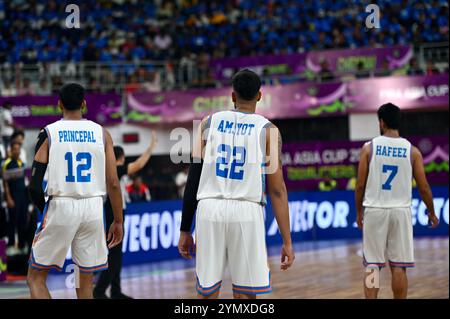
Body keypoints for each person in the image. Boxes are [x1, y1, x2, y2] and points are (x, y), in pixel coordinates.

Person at [178, 69, 295, 299]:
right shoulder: (268, 130)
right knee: (247, 294)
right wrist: (287, 240)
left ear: (232, 96)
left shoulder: (208, 122)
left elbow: (193, 178)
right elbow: (277, 190)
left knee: (207, 292)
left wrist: (185, 228)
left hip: (209, 208)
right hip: (246, 210)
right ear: (259, 96)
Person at [26, 83, 124, 299]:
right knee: (84, 279)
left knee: (35, 277)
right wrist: (118, 220)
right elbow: (113, 182)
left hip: (61, 204)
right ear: (84, 104)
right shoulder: (102, 133)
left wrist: (46, 211)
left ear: (59, 104)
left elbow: (33, 185)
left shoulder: (49, 132)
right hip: (93, 208)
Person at [355, 102, 439, 299]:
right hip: (400, 211)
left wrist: (358, 212)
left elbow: (359, 185)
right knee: (399, 266)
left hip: (374, 210)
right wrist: (431, 211)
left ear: (381, 122)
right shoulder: (413, 151)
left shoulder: (369, 148)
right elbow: (424, 187)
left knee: (373, 265)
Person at [94, 131, 157, 299]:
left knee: (117, 256)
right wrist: (151, 146)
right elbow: (139, 164)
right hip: (113, 215)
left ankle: (115, 291)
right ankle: (98, 292)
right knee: (114, 258)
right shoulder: (114, 168)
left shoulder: (107, 170)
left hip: (112, 214)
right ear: (120, 158)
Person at [2, 141, 28, 256]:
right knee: (12, 221)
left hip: (23, 197)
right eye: (14, 149)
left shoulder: (21, 163)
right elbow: (5, 182)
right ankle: (11, 245)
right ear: (11, 151)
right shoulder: (6, 163)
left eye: (18, 149)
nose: (16, 151)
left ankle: (22, 245)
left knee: (22, 221)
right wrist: (8, 198)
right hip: (13, 196)